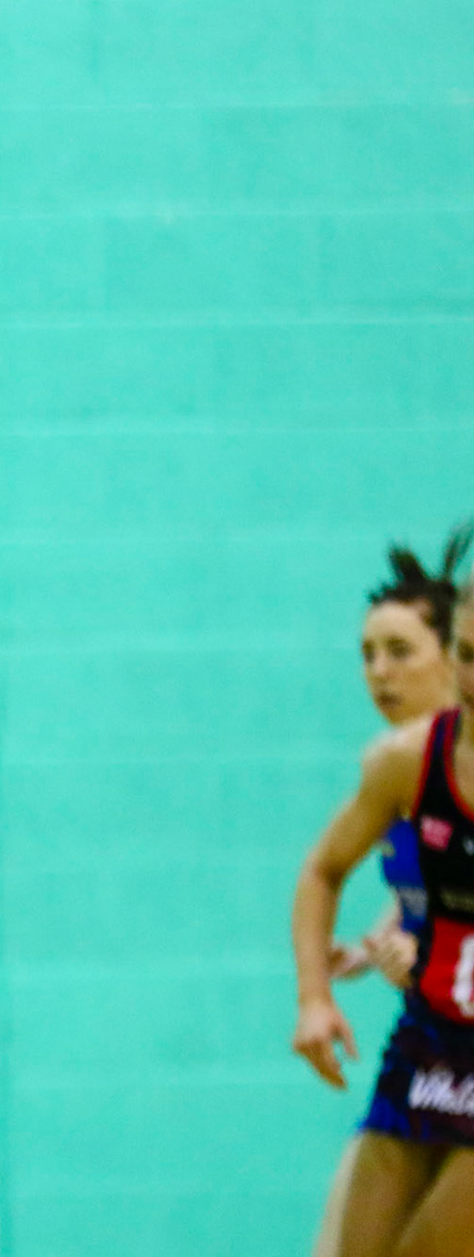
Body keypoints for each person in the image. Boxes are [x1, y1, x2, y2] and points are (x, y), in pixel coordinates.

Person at [293, 533, 474, 1257]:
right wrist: (381, 943)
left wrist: (405, 934)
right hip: (431, 1040)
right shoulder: (402, 769)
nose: (380, 673)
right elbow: (414, 886)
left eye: (400, 651)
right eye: (368, 654)